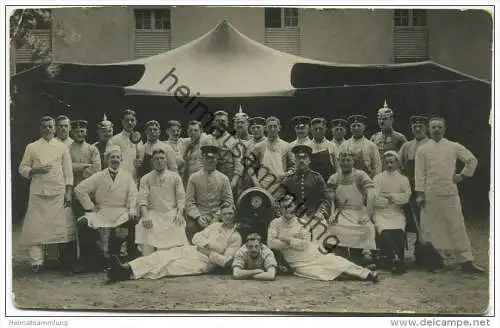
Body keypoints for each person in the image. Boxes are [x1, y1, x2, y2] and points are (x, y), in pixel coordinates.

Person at [415, 117, 484, 273]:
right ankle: (437, 260)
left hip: (450, 193)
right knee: (433, 229)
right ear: (429, 130)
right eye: (433, 127)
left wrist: (463, 175)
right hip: (430, 194)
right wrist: (420, 194)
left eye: (439, 127)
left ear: (445, 129)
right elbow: (419, 174)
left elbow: (471, 160)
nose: (436, 130)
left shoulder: (453, 146)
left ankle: (466, 261)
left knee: (457, 226)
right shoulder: (423, 150)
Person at [105, 205, 242, 282]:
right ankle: (127, 266)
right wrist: (205, 245)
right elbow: (196, 237)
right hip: (193, 250)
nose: (227, 216)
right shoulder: (215, 226)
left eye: (230, 214)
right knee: (162, 256)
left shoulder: (235, 237)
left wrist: (208, 252)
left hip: (206, 262)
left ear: (235, 215)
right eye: (225, 214)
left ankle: (127, 274)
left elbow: (225, 261)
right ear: (221, 215)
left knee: (170, 266)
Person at [267, 195, 379, 283]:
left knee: (334, 261)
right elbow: (271, 243)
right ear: (280, 209)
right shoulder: (275, 223)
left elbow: (305, 245)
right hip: (297, 263)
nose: (288, 210)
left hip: (311, 254)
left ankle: (366, 274)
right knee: (322, 273)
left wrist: (286, 239)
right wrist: (295, 241)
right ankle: (360, 275)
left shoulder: (302, 223)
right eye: (284, 207)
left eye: (290, 206)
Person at [19, 116, 74, 273]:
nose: (48, 129)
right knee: (36, 226)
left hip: (57, 192)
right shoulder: (32, 147)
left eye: (50, 127)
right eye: (45, 127)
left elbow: (68, 173)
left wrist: (68, 193)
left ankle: (52, 258)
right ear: (40, 129)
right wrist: (35, 170)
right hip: (38, 192)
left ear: (54, 128)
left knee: (55, 226)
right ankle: (36, 261)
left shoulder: (62, 147)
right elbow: (22, 168)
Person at [74, 146, 138, 271]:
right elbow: (79, 189)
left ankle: (130, 260)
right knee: (83, 222)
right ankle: (90, 262)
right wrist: (90, 207)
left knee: (135, 220)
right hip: (102, 212)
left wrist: (131, 210)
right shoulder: (99, 175)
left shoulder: (127, 176)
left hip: (121, 211)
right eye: (112, 157)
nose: (115, 160)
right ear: (107, 160)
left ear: (121, 159)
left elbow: (133, 194)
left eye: (117, 157)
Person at [135, 145, 188, 256]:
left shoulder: (175, 177)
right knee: (143, 226)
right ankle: (147, 258)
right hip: (153, 213)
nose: (159, 161)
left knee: (178, 225)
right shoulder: (146, 178)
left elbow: (181, 197)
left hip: (171, 213)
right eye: (156, 158)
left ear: (166, 159)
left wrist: (179, 213)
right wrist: (145, 216)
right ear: (152, 161)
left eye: (162, 158)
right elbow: (142, 200)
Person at [326, 150, 377, 265]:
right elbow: (331, 199)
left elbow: (371, 194)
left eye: (348, 160)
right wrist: (332, 214)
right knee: (333, 227)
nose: (345, 163)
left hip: (358, 210)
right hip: (342, 211)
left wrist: (367, 214)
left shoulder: (360, 175)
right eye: (342, 160)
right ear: (338, 161)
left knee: (367, 227)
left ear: (353, 161)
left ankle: (365, 254)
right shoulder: (334, 177)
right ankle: (340, 254)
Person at [280, 145, 331, 241]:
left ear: (309, 160)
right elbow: (280, 199)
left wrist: (321, 212)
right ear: (295, 160)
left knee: (321, 232)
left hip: (314, 216)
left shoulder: (316, 177)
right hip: (294, 218)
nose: (301, 160)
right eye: (299, 157)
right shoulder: (288, 179)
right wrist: (286, 215)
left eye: (304, 157)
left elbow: (326, 198)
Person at [185, 145, 235, 242]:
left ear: (217, 160)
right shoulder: (194, 177)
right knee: (190, 227)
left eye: (213, 158)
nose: (210, 161)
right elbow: (189, 202)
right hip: (201, 215)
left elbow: (228, 201)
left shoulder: (223, 178)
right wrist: (198, 217)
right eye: (207, 158)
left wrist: (217, 217)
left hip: (220, 215)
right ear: (202, 159)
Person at [373, 151, 411, 274]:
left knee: (399, 229)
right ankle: (394, 257)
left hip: (396, 212)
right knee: (384, 229)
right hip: (381, 212)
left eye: (392, 162)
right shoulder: (378, 178)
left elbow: (406, 197)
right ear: (383, 163)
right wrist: (392, 198)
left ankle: (398, 259)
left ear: (397, 163)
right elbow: (374, 198)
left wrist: (390, 196)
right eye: (387, 162)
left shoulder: (403, 179)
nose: (389, 165)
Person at [398, 115, 430, 260]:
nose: (417, 129)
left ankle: (427, 255)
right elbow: (398, 166)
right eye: (414, 127)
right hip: (409, 187)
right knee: (410, 220)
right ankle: (406, 254)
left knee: (426, 221)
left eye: (420, 127)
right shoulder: (407, 146)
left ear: (426, 128)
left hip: (427, 188)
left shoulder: (431, 145)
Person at [247, 117, 295, 195]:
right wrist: (256, 182)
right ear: (266, 128)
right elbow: (249, 167)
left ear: (279, 128)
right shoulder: (259, 146)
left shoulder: (287, 146)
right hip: (262, 186)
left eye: (275, 126)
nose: (272, 129)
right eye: (270, 126)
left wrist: (286, 175)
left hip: (280, 187)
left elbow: (293, 167)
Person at [338, 114, 381, 179]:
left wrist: (375, 182)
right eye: (353, 126)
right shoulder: (344, 145)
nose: (356, 128)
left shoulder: (371, 146)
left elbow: (377, 167)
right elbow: (339, 166)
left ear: (364, 127)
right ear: (350, 128)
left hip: (366, 180)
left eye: (359, 125)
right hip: (348, 180)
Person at [107, 109, 144, 182]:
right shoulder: (115, 140)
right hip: (120, 178)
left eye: (132, 120)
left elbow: (141, 159)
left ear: (136, 122)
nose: (129, 123)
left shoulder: (139, 140)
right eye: (126, 120)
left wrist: (140, 163)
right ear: (122, 122)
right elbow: (111, 162)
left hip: (135, 179)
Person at [69, 120, 101, 188]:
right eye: (76, 132)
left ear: (86, 132)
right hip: (73, 186)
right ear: (72, 133)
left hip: (90, 187)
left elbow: (97, 169)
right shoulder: (67, 149)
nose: (79, 134)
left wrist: (76, 169)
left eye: (82, 131)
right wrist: (86, 166)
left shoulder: (92, 149)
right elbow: (67, 167)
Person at [310, 117, 337, 182]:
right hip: (312, 183)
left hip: (328, 182)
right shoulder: (307, 146)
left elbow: (337, 167)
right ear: (311, 130)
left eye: (320, 129)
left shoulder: (332, 146)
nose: (318, 131)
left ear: (325, 129)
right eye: (315, 129)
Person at [182, 120, 204, 186]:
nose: (193, 132)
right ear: (187, 132)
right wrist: (187, 149)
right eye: (190, 130)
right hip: (188, 180)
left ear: (201, 131)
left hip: (202, 180)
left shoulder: (206, 142)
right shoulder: (184, 143)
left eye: (195, 130)